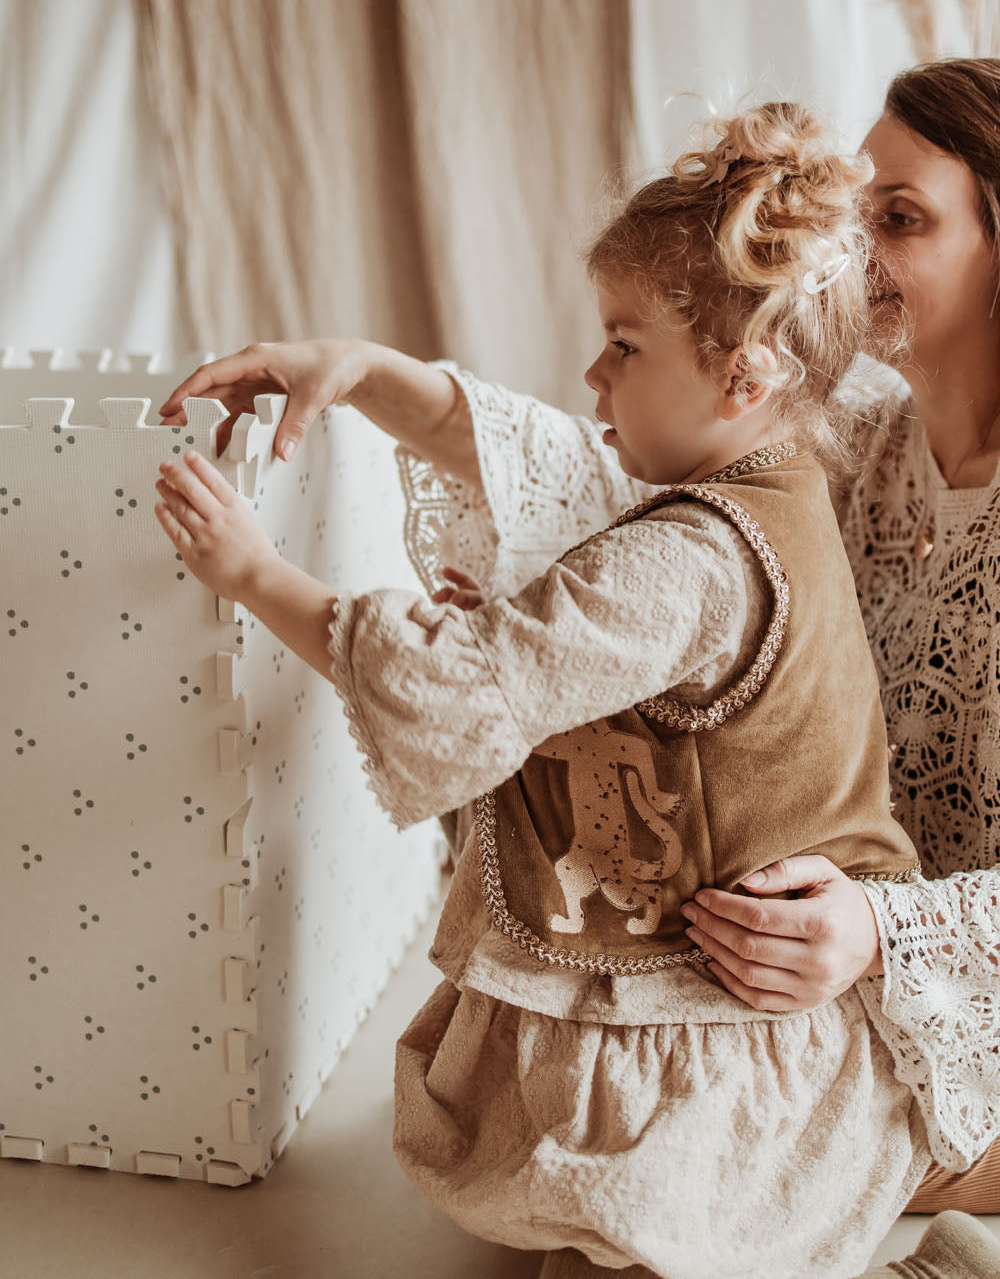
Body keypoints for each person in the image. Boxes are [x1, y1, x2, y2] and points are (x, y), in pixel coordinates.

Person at [154, 97, 998, 1279]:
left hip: (850, 1004)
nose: (855, 249)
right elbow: (607, 482)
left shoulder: (724, 514)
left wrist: (257, 576)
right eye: (855, 208)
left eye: (898, 217)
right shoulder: (826, 435)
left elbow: (515, 654)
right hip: (785, 973)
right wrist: (368, 375)